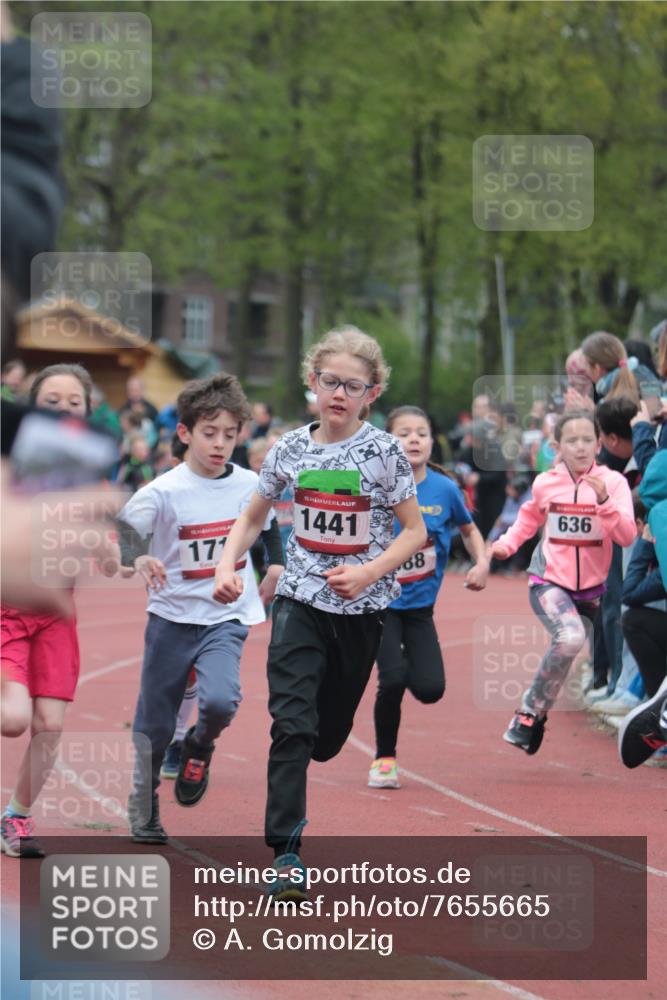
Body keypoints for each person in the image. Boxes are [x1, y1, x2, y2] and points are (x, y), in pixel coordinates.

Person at [213, 325, 425, 900]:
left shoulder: (384, 452)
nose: (339, 394)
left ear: (371, 394)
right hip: (300, 601)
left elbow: (414, 531)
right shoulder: (289, 448)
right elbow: (253, 516)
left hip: (361, 609)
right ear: (313, 381)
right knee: (292, 725)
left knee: (326, 739)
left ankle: (324, 740)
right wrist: (228, 565)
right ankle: (286, 853)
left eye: (353, 386)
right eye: (331, 381)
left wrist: (368, 572)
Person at [117, 372, 284, 843]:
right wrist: (139, 558)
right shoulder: (163, 490)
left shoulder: (250, 484)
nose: (220, 444)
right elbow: (125, 537)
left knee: (219, 701)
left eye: (230, 435)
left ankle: (198, 744)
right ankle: (144, 803)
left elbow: (268, 525)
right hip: (171, 617)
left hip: (224, 617)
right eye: (210, 433)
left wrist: (275, 565)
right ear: (185, 432)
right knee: (154, 722)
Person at [1, 363, 120, 858]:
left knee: (49, 725)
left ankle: (16, 816)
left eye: (74, 403)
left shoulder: (91, 481)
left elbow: (114, 558)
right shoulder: (11, 469)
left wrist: (118, 550)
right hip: (6, 612)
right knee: (12, 718)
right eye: (51, 402)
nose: (64, 410)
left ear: (88, 413)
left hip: (55, 616)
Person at [489, 410, 635, 754]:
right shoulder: (546, 483)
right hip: (549, 580)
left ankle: (536, 717)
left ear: (599, 444)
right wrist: (505, 545)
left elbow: (627, 536)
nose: (580, 447)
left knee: (567, 651)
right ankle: (528, 712)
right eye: (572, 440)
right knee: (570, 637)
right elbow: (527, 520)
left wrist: (604, 503)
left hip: (591, 590)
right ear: (557, 446)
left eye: (587, 440)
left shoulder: (613, 483)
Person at [368, 405, 488, 790]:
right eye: (404, 433)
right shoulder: (374, 485)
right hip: (380, 605)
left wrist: (481, 562)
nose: (414, 439)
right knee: (392, 679)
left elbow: (469, 530)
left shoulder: (444, 490)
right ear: (388, 441)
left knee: (431, 690)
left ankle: (403, 664)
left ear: (432, 442)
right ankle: (384, 759)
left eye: (421, 433)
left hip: (420, 609)